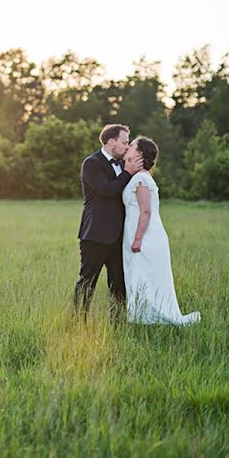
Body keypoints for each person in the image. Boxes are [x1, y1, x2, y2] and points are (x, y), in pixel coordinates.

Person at [122, 137, 201, 326]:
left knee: (145, 278)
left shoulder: (141, 178)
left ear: (140, 154)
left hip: (146, 237)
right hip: (141, 235)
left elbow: (146, 211)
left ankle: (150, 319)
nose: (128, 147)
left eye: (132, 145)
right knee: (142, 277)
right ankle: (143, 318)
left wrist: (138, 239)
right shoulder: (138, 176)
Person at [74, 124, 142, 321]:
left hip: (119, 236)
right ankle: (79, 322)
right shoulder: (91, 164)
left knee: (119, 284)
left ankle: (117, 323)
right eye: (124, 142)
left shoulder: (122, 164)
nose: (127, 147)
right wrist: (128, 173)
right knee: (87, 282)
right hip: (95, 234)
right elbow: (108, 190)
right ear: (111, 142)